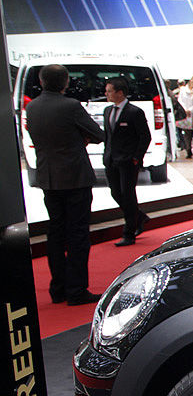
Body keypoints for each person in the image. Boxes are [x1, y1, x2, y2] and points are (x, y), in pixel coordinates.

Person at [25, 63, 104, 304]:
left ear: (41, 81)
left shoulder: (32, 106)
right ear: (66, 81)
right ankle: (76, 290)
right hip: (75, 178)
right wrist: (81, 138)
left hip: (48, 178)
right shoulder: (70, 106)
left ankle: (58, 288)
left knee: (56, 233)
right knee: (78, 234)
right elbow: (98, 134)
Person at [102, 76, 151, 246]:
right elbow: (108, 136)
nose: (106, 94)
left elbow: (145, 136)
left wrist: (137, 157)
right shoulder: (107, 111)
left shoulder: (134, 112)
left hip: (128, 161)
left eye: (109, 91)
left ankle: (129, 232)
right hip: (111, 159)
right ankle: (139, 217)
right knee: (116, 193)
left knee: (128, 195)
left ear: (120, 93)